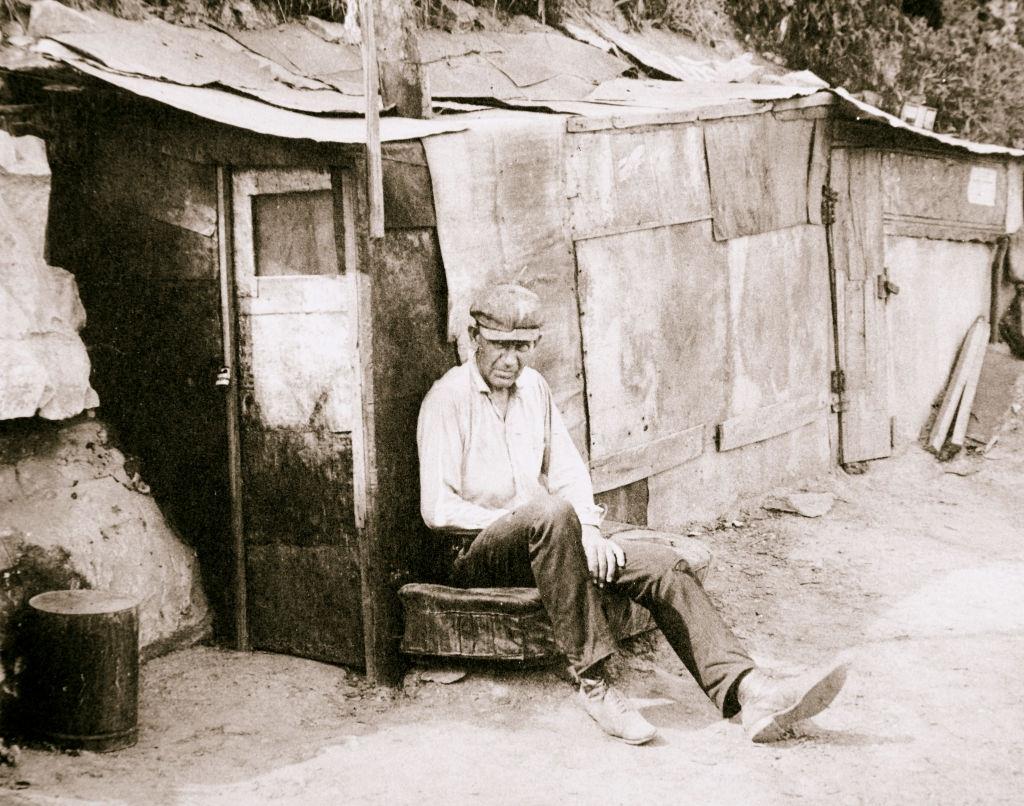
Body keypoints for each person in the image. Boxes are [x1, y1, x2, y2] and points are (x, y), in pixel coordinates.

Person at [416, 283, 847, 745]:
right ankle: (594, 684)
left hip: (547, 544)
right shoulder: (448, 399)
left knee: (660, 566)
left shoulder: (533, 389)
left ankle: (751, 691)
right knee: (550, 512)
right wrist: (534, 519)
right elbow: (437, 510)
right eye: (500, 345)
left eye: (523, 346)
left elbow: (567, 470)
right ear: (473, 336)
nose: (511, 359)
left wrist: (590, 532)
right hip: (471, 554)